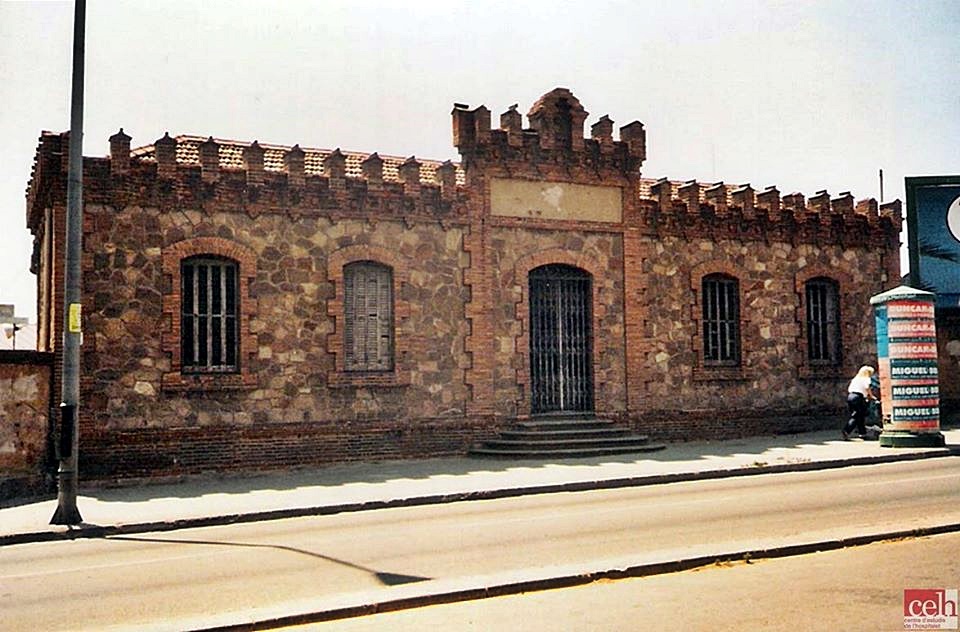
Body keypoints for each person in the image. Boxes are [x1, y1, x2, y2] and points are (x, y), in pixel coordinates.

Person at [842, 365, 877, 440]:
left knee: (860, 416)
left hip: (851, 396)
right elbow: (867, 388)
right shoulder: (866, 379)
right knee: (857, 415)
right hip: (858, 397)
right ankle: (846, 430)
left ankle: (862, 433)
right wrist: (871, 396)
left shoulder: (856, 379)